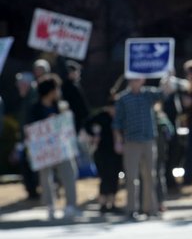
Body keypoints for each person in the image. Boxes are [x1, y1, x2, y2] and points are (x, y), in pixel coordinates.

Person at [26, 74, 80, 220]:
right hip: (45, 151)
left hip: (61, 148)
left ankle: (71, 205)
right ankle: (50, 206)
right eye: (56, 89)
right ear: (50, 91)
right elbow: (30, 129)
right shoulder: (35, 109)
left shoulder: (60, 106)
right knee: (46, 177)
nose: (58, 92)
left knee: (69, 172)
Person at [113, 78, 163, 220]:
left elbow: (164, 93)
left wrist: (168, 78)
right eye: (133, 79)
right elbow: (117, 122)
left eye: (138, 79)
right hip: (131, 142)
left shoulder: (148, 94)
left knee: (150, 176)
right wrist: (118, 141)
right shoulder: (123, 98)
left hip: (148, 140)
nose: (136, 82)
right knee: (131, 177)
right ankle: (131, 209)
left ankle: (150, 208)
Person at [85, 94, 123, 213]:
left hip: (116, 152)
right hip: (102, 152)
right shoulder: (101, 116)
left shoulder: (119, 117)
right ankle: (102, 204)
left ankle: (112, 203)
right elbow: (87, 124)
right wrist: (93, 135)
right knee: (105, 177)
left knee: (114, 177)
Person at [11, 72, 39, 200]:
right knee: (26, 165)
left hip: (33, 138)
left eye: (20, 84)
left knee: (31, 166)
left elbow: (31, 119)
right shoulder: (27, 97)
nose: (18, 87)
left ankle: (34, 191)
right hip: (27, 138)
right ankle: (32, 191)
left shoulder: (33, 96)